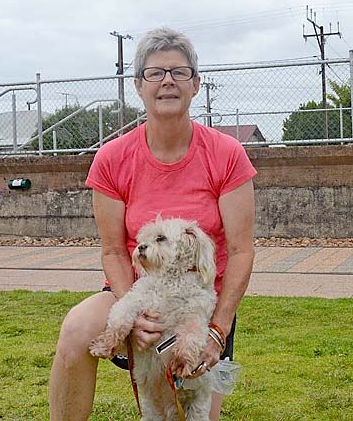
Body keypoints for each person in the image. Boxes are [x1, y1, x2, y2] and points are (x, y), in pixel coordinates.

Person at [48, 27, 257, 421]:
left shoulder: (228, 154)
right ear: (138, 86)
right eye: (155, 73)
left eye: (179, 72)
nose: (167, 81)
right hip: (134, 291)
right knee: (76, 329)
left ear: (196, 84)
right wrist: (133, 313)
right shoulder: (111, 158)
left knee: (191, 413)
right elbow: (113, 251)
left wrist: (218, 330)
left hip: (198, 306)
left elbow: (242, 251)